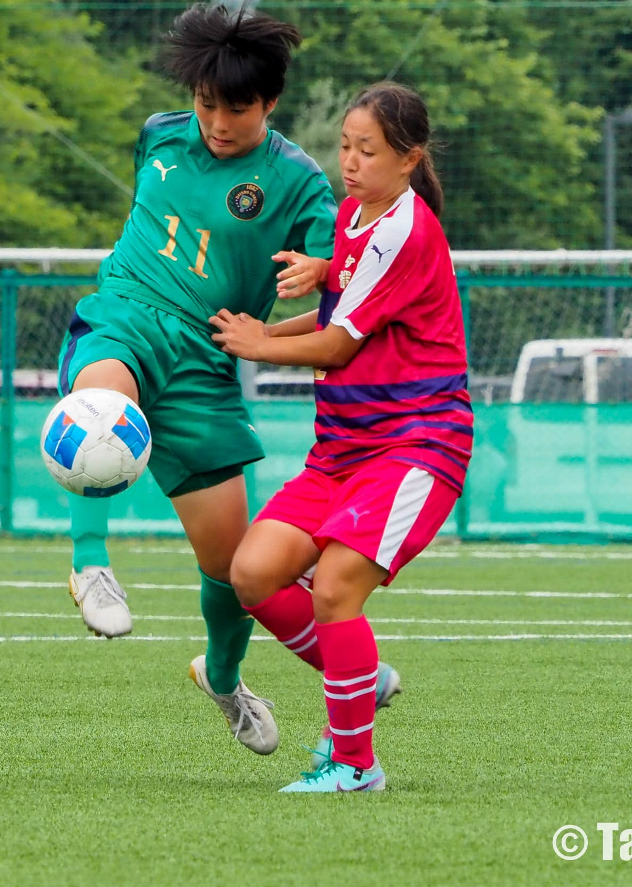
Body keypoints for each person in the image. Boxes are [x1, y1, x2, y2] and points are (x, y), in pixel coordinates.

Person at [56, 3, 337, 753]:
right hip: (127, 316)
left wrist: (311, 279)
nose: (217, 120)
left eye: (237, 108)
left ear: (271, 102)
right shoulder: (158, 134)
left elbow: (342, 297)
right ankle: (90, 566)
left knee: (233, 567)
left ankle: (222, 676)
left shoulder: (302, 185)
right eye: (206, 103)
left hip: (206, 364)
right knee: (98, 409)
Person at [211, 82, 472, 792]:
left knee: (333, 590)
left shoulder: (400, 228)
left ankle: (355, 764)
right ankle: (361, 678)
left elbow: (335, 346)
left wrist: (258, 344)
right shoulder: (357, 217)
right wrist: (276, 319)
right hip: (343, 450)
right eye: (345, 146)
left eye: (367, 151)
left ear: (409, 158)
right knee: (254, 573)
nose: (349, 162)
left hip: (415, 444)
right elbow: (339, 312)